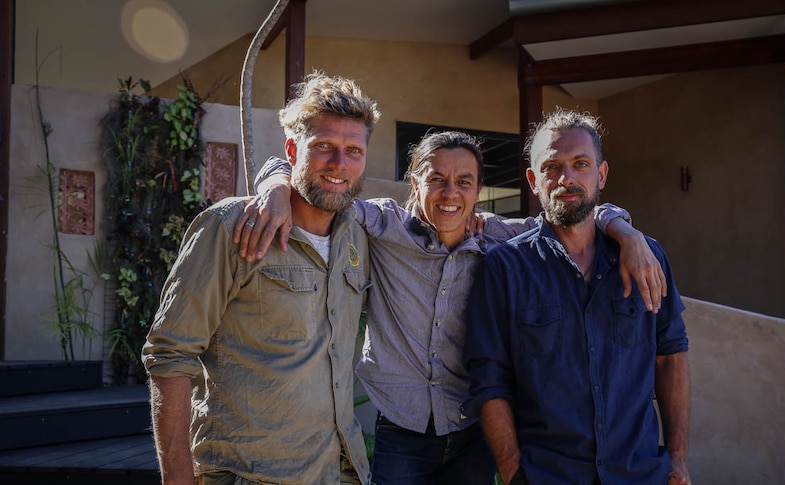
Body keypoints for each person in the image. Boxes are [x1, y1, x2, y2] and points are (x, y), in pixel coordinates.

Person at [236, 127, 667, 484]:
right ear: (414, 181)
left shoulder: (501, 239)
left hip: (472, 429)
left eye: (464, 181)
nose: (450, 193)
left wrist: (625, 232)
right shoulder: (381, 226)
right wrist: (276, 187)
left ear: (479, 190)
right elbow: (319, 180)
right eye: (436, 179)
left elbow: (574, 211)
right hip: (401, 429)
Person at [141, 72, 380, 485]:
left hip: (337, 471)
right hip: (247, 473)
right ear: (293, 149)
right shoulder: (230, 226)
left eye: (353, 151)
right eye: (323, 146)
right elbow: (170, 353)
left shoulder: (359, 235)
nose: (339, 164)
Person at [463, 108, 691, 485]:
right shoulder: (504, 267)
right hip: (546, 475)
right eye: (552, 167)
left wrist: (678, 459)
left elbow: (671, 356)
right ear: (534, 181)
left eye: (580, 164)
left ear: (601, 174)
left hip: (639, 473)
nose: (566, 179)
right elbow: (489, 379)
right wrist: (512, 469)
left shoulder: (646, 257)